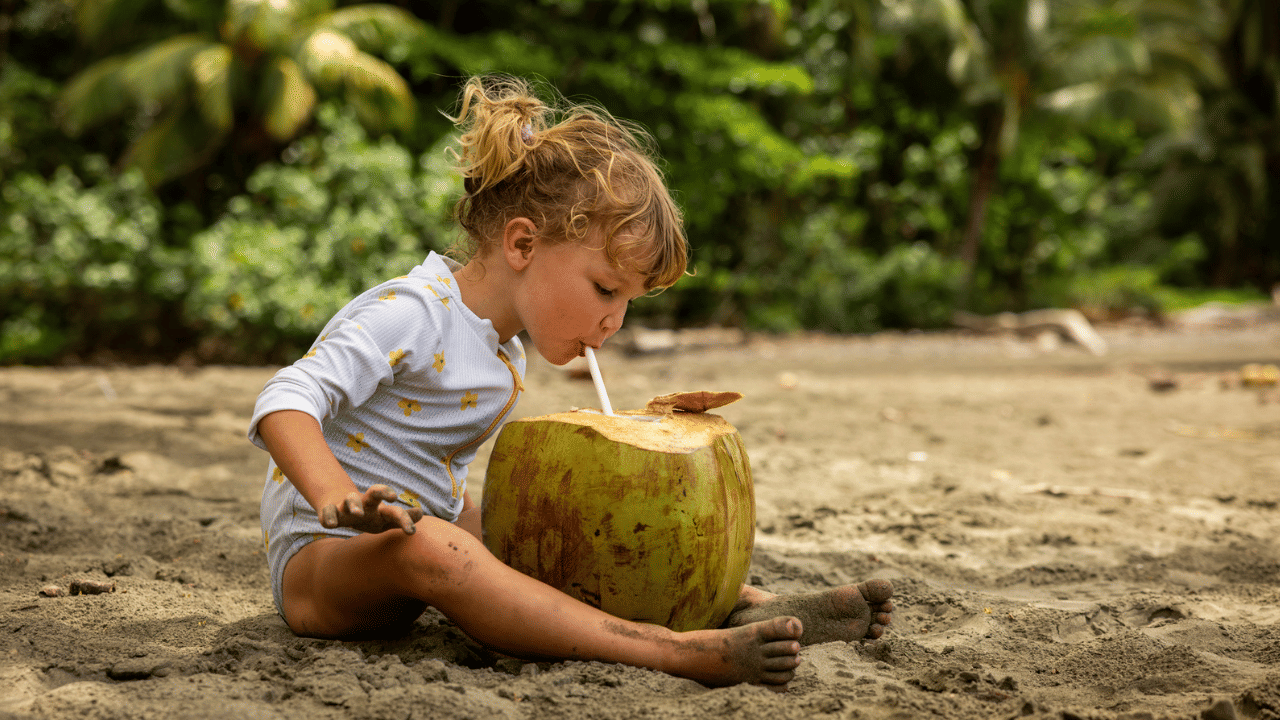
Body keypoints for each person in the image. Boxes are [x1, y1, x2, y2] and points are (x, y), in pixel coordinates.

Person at [248, 75, 893, 690]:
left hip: (411, 553)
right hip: (324, 568)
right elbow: (286, 399)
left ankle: (742, 604)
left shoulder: (504, 355)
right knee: (441, 547)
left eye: (629, 303)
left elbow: (435, 478)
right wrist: (335, 494)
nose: (613, 321)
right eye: (605, 289)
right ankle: (672, 650)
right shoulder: (411, 315)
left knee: (552, 540)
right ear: (523, 245)